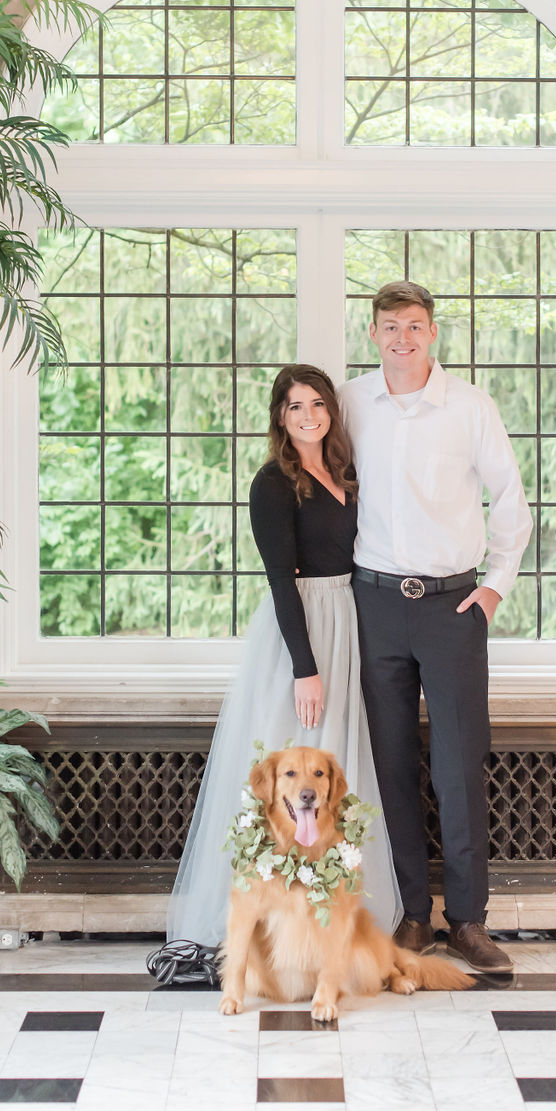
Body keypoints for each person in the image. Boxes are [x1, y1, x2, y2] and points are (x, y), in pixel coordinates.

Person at [167, 364, 402, 949]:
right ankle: (272, 917)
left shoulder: (345, 471)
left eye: (317, 404)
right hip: (303, 624)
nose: (308, 416)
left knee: (341, 757)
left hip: (352, 613)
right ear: (280, 416)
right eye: (295, 406)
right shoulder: (273, 483)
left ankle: (335, 911)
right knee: (297, 756)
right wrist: (305, 667)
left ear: (331, 410)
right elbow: (279, 581)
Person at [340, 281, 533, 974]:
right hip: (375, 604)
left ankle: (469, 922)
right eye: (390, 327)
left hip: (454, 608)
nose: (402, 338)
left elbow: (510, 496)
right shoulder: (350, 403)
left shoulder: (470, 407)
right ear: (373, 335)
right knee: (390, 763)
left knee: (459, 766)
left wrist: (494, 588)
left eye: (414, 326)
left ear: (433, 333)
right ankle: (413, 916)